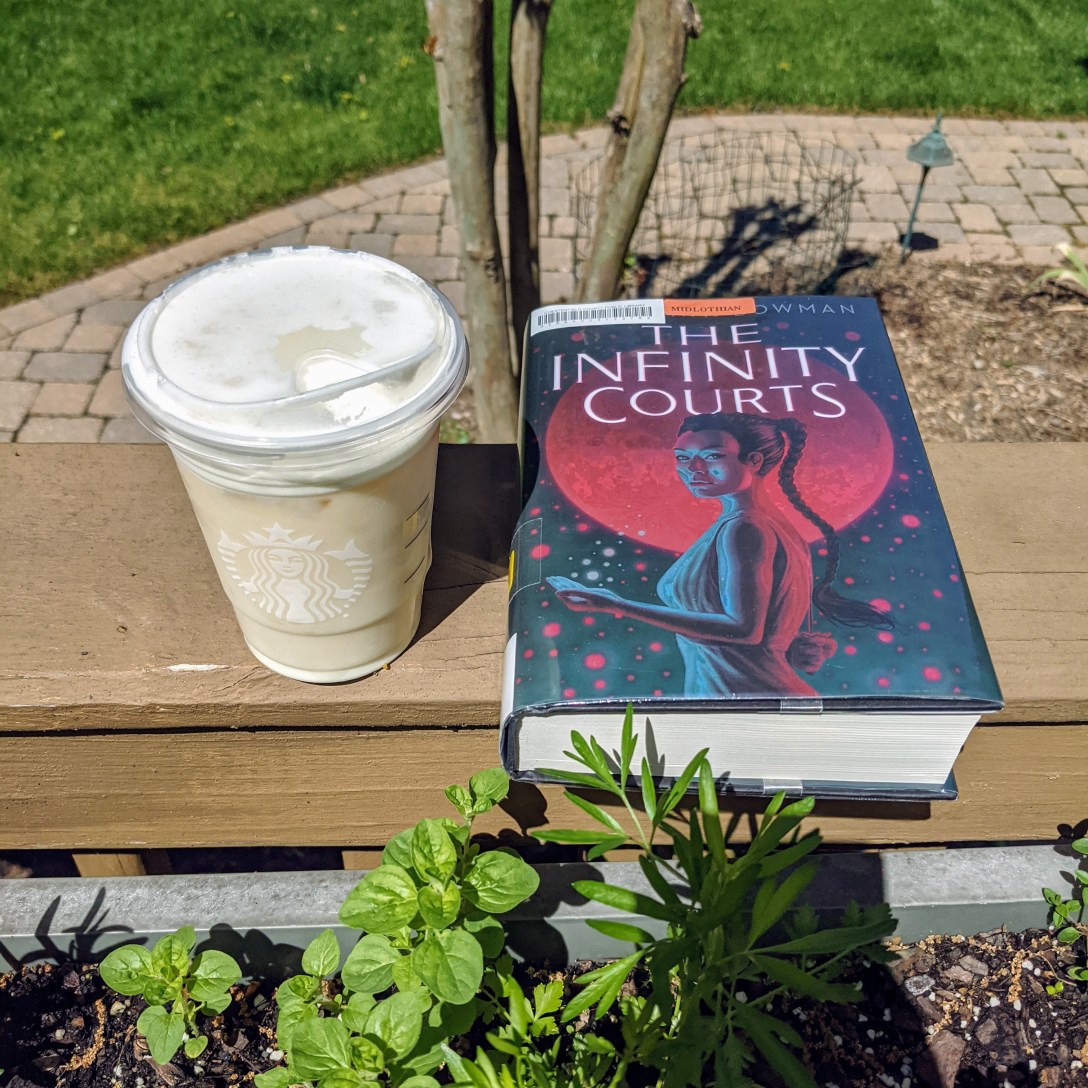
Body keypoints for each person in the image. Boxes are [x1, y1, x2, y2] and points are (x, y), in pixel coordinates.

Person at [551, 413, 892, 697]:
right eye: (683, 458)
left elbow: (744, 630)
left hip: (751, 702)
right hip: (738, 695)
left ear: (754, 460)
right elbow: (764, 623)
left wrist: (617, 605)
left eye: (712, 456)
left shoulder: (745, 527)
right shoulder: (760, 524)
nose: (693, 469)